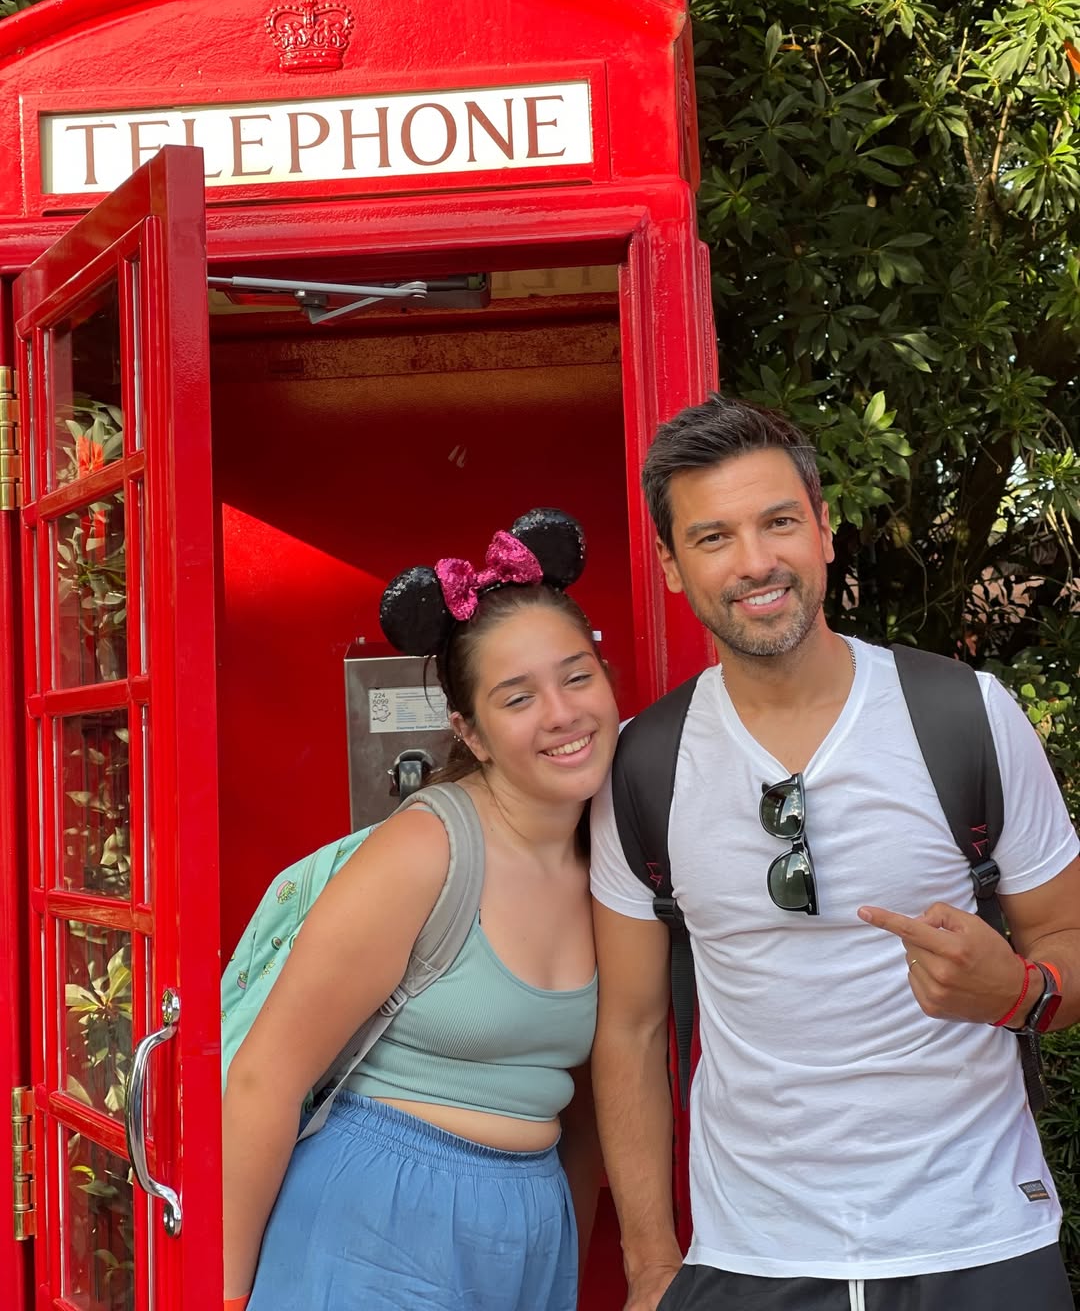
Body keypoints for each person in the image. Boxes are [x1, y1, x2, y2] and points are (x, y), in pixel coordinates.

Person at [589, 394, 1080, 1311]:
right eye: (713, 537)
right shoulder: (645, 764)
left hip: (979, 1238)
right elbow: (631, 1029)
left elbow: (1067, 932)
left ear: (824, 528)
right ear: (669, 564)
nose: (755, 561)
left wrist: (1019, 991)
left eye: (778, 522)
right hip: (750, 1256)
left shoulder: (965, 715)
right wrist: (652, 1261)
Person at [222, 509, 619, 1311]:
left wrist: (567, 1247)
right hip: (376, 1222)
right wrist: (222, 1297)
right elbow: (266, 1077)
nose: (562, 714)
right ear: (468, 731)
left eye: (577, 677)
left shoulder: (613, 854)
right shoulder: (425, 851)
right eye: (517, 698)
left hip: (528, 1230)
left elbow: (595, 1094)